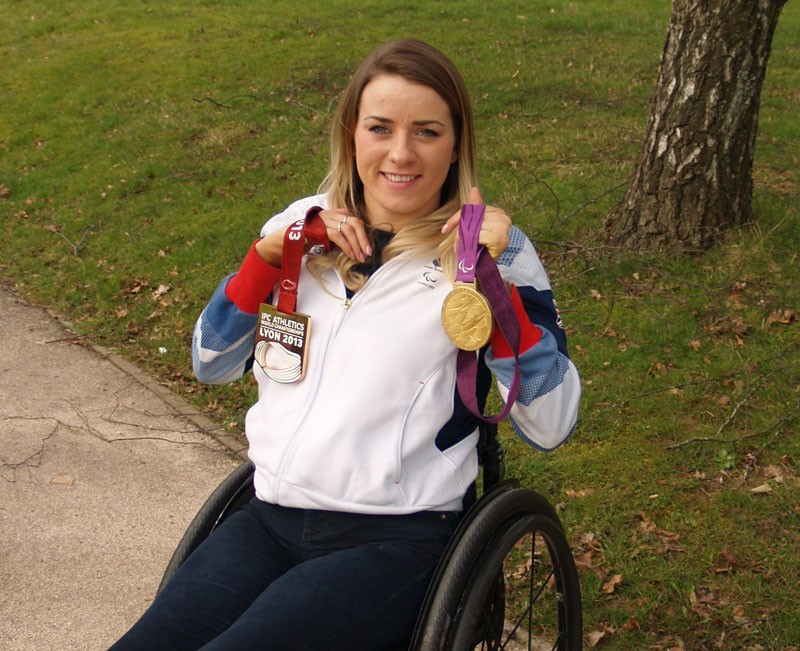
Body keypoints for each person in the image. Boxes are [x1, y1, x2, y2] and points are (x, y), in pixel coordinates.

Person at [110, 39, 580, 651]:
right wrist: (266, 260)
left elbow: (552, 424)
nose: (401, 152)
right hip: (269, 519)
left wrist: (494, 292)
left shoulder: (495, 251)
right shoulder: (304, 223)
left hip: (397, 539)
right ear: (351, 134)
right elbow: (209, 363)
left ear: (457, 144)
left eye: (428, 132)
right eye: (380, 127)